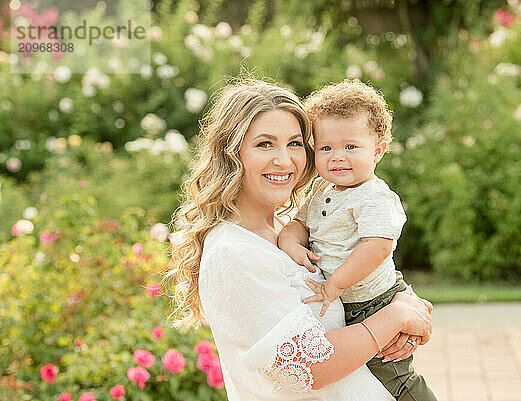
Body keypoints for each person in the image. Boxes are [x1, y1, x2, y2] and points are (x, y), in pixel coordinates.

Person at [164, 79, 433, 401]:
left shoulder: (287, 227)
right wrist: (394, 318)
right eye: (265, 144)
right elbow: (310, 368)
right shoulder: (233, 252)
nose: (284, 159)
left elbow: (371, 271)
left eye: (294, 143)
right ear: (232, 153)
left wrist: (408, 311)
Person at [278, 80, 437, 400]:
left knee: (395, 376)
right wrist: (291, 243)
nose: (337, 157)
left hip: (375, 300)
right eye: (326, 148)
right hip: (350, 300)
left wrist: (335, 284)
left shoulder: (374, 196)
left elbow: (377, 247)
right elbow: (298, 224)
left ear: (377, 150)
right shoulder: (321, 190)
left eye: (350, 147)